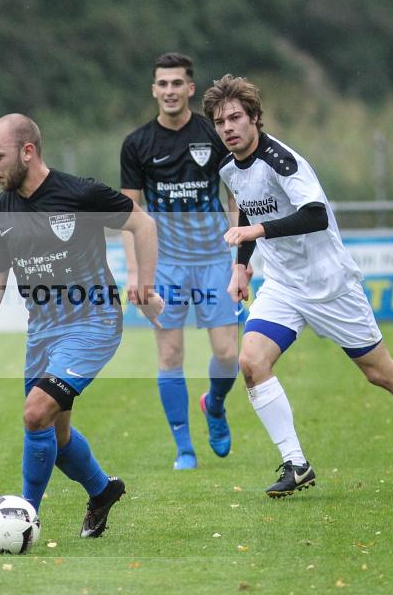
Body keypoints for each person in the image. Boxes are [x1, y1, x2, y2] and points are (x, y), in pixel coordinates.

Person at [202, 75, 393, 497]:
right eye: (220, 122)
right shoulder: (227, 168)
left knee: (380, 373)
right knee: (252, 362)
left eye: (236, 117)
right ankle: (296, 464)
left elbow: (315, 215)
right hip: (283, 286)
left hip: (330, 285)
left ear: (255, 117)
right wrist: (241, 268)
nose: (228, 128)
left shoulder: (283, 161)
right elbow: (242, 215)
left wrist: (256, 232)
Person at [0, 114, 164, 537]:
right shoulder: (0, 210)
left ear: (28, 151)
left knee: (35, 413)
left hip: (93, 321)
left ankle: (21, 519)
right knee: (56, 435)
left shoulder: (79, 193)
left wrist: (144, 285)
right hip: (43, 331)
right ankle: (102, 490)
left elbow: (142, 222)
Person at [120, 53, 240, 471]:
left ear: (191, 88)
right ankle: (184, 449)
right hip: (165, 265)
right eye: (162, 84)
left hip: (213, 260)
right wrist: (136, 273)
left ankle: (216, 405)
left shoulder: (215, 132)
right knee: (170, 356)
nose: (169, 91)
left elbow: (234, 196)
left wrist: (241, 256)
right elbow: (130, 215)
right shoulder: (137, 144)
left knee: (228, 354)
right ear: (154, 90)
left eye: (177, 83)